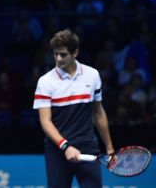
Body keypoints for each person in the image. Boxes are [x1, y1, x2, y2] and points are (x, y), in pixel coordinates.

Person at [33, 29, 114, 188]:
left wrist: (109, 147)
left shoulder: (92, 75)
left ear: (75, 52)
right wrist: (65, 146)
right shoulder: (45, 82)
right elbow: (45, 121)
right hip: (57, 149)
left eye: (63, 54)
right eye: (55, 54)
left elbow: (98, 113)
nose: (58, 59)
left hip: (87, 146)